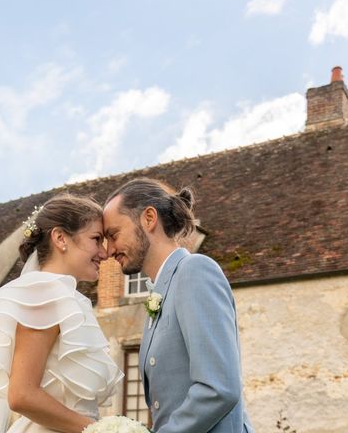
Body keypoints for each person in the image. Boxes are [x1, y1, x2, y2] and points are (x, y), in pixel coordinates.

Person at [0, 194, 123, 433]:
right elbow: (22, 395)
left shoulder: (62, 297)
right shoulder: (44, 294)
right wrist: (99, 430)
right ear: (60, 238)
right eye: (96, 239)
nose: (105, 253)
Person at [103, 178, 254, 433]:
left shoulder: (195, 271)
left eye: (113, 235)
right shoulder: (160, 293)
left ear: (149, 218)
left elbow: (219, 388)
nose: (108, 250)